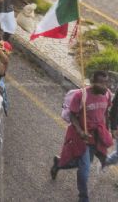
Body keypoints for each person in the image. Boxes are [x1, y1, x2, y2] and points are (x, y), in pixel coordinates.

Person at [51, 70, 114, 202]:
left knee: (82, 163)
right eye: (102, 83)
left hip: (97, 137)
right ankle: (83, 197)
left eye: (107, 83)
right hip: (82, 137)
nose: (105, 86)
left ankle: (59, 163)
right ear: (93, 82)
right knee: (84, 170)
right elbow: (72, 115)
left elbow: (105, 114)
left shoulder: (107, 94)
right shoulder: (81, 95)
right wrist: (80, 132)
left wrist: (107, 131)